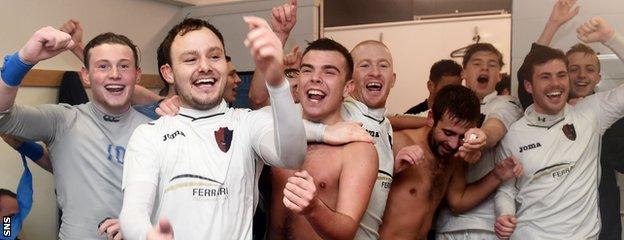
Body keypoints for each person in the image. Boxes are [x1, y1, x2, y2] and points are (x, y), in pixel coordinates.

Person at [118, 16, 307, 240]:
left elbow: (293, 156)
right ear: (168, 73)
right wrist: (148, 236)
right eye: (190, 59)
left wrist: (277, 84)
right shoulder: (149, 135)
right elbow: (132, 213)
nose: (205, 67)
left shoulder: (248, 123)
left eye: (215, 56)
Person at [0, 25, 150, 239]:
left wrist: (137, 226)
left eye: (124, 66)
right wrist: (24, 59)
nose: (115, 74)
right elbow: (2, 117)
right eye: (103, 66)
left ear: (137, 75)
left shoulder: (156, 129)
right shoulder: (63, 120)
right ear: (86, 76)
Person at [494, 17, 624, 238]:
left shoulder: (591, 113)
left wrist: (610, 37)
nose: (556, 84)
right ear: (528, 86)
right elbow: (506, 188)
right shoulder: (514, 134)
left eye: (561, 75)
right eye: (545, 77)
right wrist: (504, 212)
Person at [269, 38, 378, 240]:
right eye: (307, 70)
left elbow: (347, 231)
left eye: (329, 72)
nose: (315, 78)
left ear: (347, 88)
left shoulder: (357, 149)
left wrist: (313, 208)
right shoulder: (273, 132)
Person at [380, 85, 520, 239]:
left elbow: (458, 201)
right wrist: (392, 169)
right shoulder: (400, 142)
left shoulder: (454, 156)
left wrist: (497, 176)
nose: (453, 144)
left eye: (461, 136)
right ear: (431, 118)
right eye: (448, 133)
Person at [535, 2, 623, 238]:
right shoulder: (542, 109)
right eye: (573, 69)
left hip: (602, 212)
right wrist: (552, 24)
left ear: (598, 78)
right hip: (551, 221)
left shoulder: (613, 112)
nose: (582, 76)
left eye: (589, 70)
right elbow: (530, 71)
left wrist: (611, 38)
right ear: (562, 75)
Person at [435, 43, 523, 240]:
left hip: (487, 226)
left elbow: (494, 127)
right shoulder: (450, 105)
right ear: (463, 72)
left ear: (499, 76)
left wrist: (479, 137)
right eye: (477, 63)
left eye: (492, 65)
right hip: (447, 224)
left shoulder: (507, 103)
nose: (484, 69)